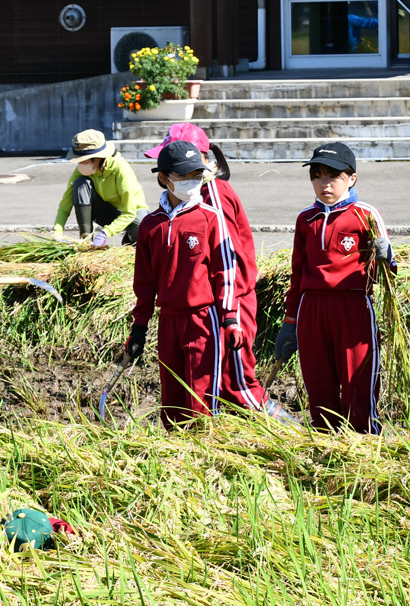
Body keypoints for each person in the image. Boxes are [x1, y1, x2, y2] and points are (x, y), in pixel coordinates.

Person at [144, 124, 294, 423]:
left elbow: (227, 257)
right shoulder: (179, 205)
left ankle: (299, 437)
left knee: (237, 384)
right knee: (215, 386)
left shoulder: (212, 192)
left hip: (229, 300)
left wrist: (228, 314)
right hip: (212, 304)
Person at [274, 142, 394, 434]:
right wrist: (290, 322)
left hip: (352, 307)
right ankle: (326, 448)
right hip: (312, 309)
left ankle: (364, 448)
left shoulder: (364, 214)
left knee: (358, 384)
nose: (324, 183)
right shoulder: (306, 219)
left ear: (351, 178)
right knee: (320, 387)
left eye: (334, 176)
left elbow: (386, 274)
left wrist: (386, 257)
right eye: (317, 176)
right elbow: (298, 275)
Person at [126, 140, 234, 430]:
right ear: (164, 178)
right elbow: (145, 282)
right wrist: (140, 326)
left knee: (201, 395)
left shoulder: (210, 218)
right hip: (169, 320)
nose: (191, 183)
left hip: (203, 319)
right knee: (172, 394)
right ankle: (175, 455)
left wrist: (230, 318)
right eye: (184, 177)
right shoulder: (151, 225)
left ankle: (204, 454)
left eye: (196, 176)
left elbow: (225, 271)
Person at [52, 130, 148, 245]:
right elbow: (65, 205)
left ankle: (130, 238)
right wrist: (58, 230)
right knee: (80, 183)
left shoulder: (121, 169)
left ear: (97, 158)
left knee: (145, 230)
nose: (80, 163)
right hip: (105, 211)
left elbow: (130, 212)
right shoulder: (82, 171)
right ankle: (86, 240)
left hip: (130, 213)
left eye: (83, 160)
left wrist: (105, 233)